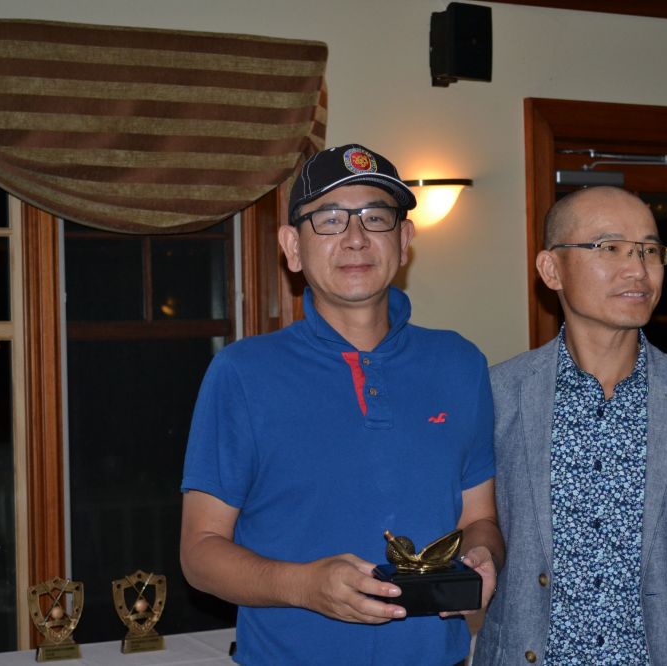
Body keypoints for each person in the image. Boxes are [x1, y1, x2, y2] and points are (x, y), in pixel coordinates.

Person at [179, 144, 504, 666]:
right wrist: (304, 585)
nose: (355, 237)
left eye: (376, 217)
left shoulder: (460, 363)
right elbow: (199, 553)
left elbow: (480, 517)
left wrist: (484, 556)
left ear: (404, 241)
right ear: (292, 247)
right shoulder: (242, 373)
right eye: (329, 220)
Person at [474, 186, 667, 665]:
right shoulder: (496, 396)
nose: (638, 270)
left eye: (650, 251)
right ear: (551, 269)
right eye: (609, 248)